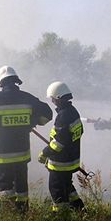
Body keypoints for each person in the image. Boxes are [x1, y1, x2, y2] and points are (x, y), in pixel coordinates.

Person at [0, 66, 52, 212]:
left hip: (3, 154)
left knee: (5, 187)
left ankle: (9, 215)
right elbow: (47, 114)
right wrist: (31, 122)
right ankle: (23, 213)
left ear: (1, 82)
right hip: (22, 153)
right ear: (16, 81)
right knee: (21, 187)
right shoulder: (27, 98)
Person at [38, 81, 85, 213]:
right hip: (70, 162)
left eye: (53, 98)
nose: (52, 101)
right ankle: (79, 209)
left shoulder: (63, 116)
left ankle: (60, 216)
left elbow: (58, 143)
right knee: (67, 187)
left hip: (60, 163)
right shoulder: (73, 112)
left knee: (56, 189)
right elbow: (79, 132)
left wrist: (44, 153)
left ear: (58, 98)